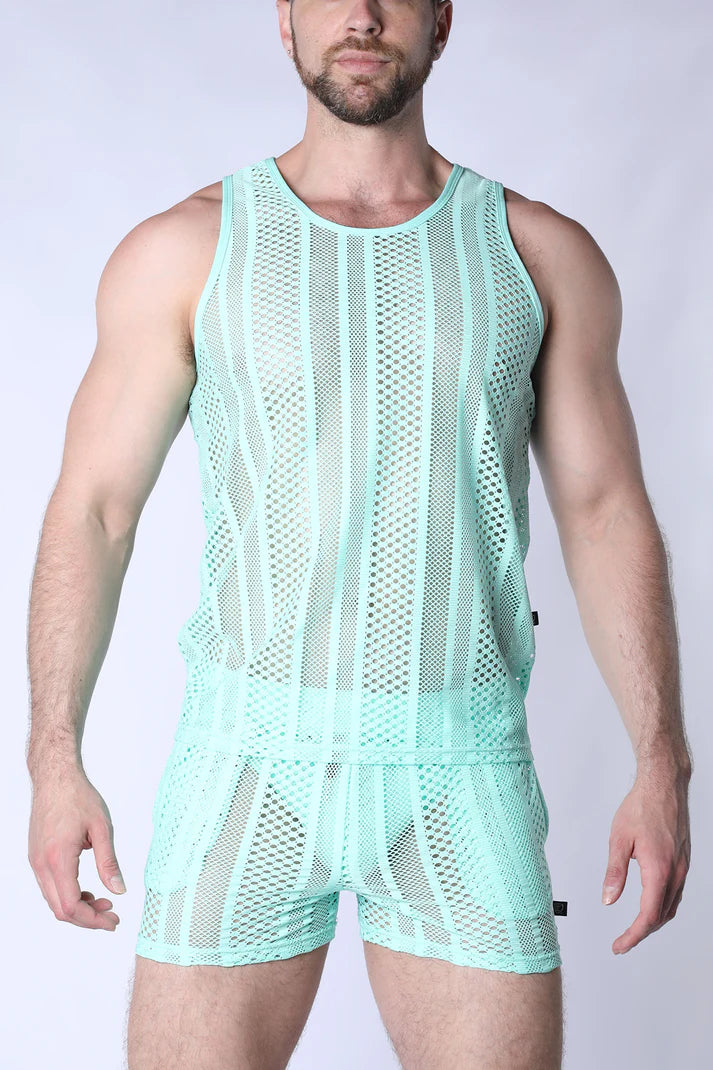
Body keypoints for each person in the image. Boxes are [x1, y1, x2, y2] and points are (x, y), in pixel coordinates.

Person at [26, 2, 692, 1068]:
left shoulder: (536, 254)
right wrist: (53, 759)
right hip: (245, 763)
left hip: (460, 767)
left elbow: (605, 510)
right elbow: (94, 509)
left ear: (441, 19)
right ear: (284, 19)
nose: (363, 15)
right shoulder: (185, 249)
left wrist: (661, 763)